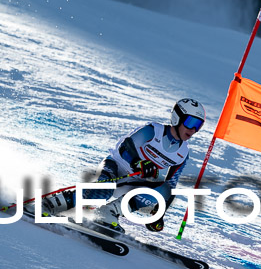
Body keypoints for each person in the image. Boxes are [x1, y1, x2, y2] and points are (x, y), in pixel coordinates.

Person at [39, 98, 205, 233]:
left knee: (162, 190)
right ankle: (51, 203)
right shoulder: (153, 130)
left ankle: (108, 213)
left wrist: (159, 214)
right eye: (190, 122)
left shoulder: (182, 153)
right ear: (177, 117)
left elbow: (171, 185)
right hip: (116, 169)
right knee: (101, 192)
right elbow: (126, 146)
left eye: (198, 126)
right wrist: (138, 162)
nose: (192, 130)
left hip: (135, 183)